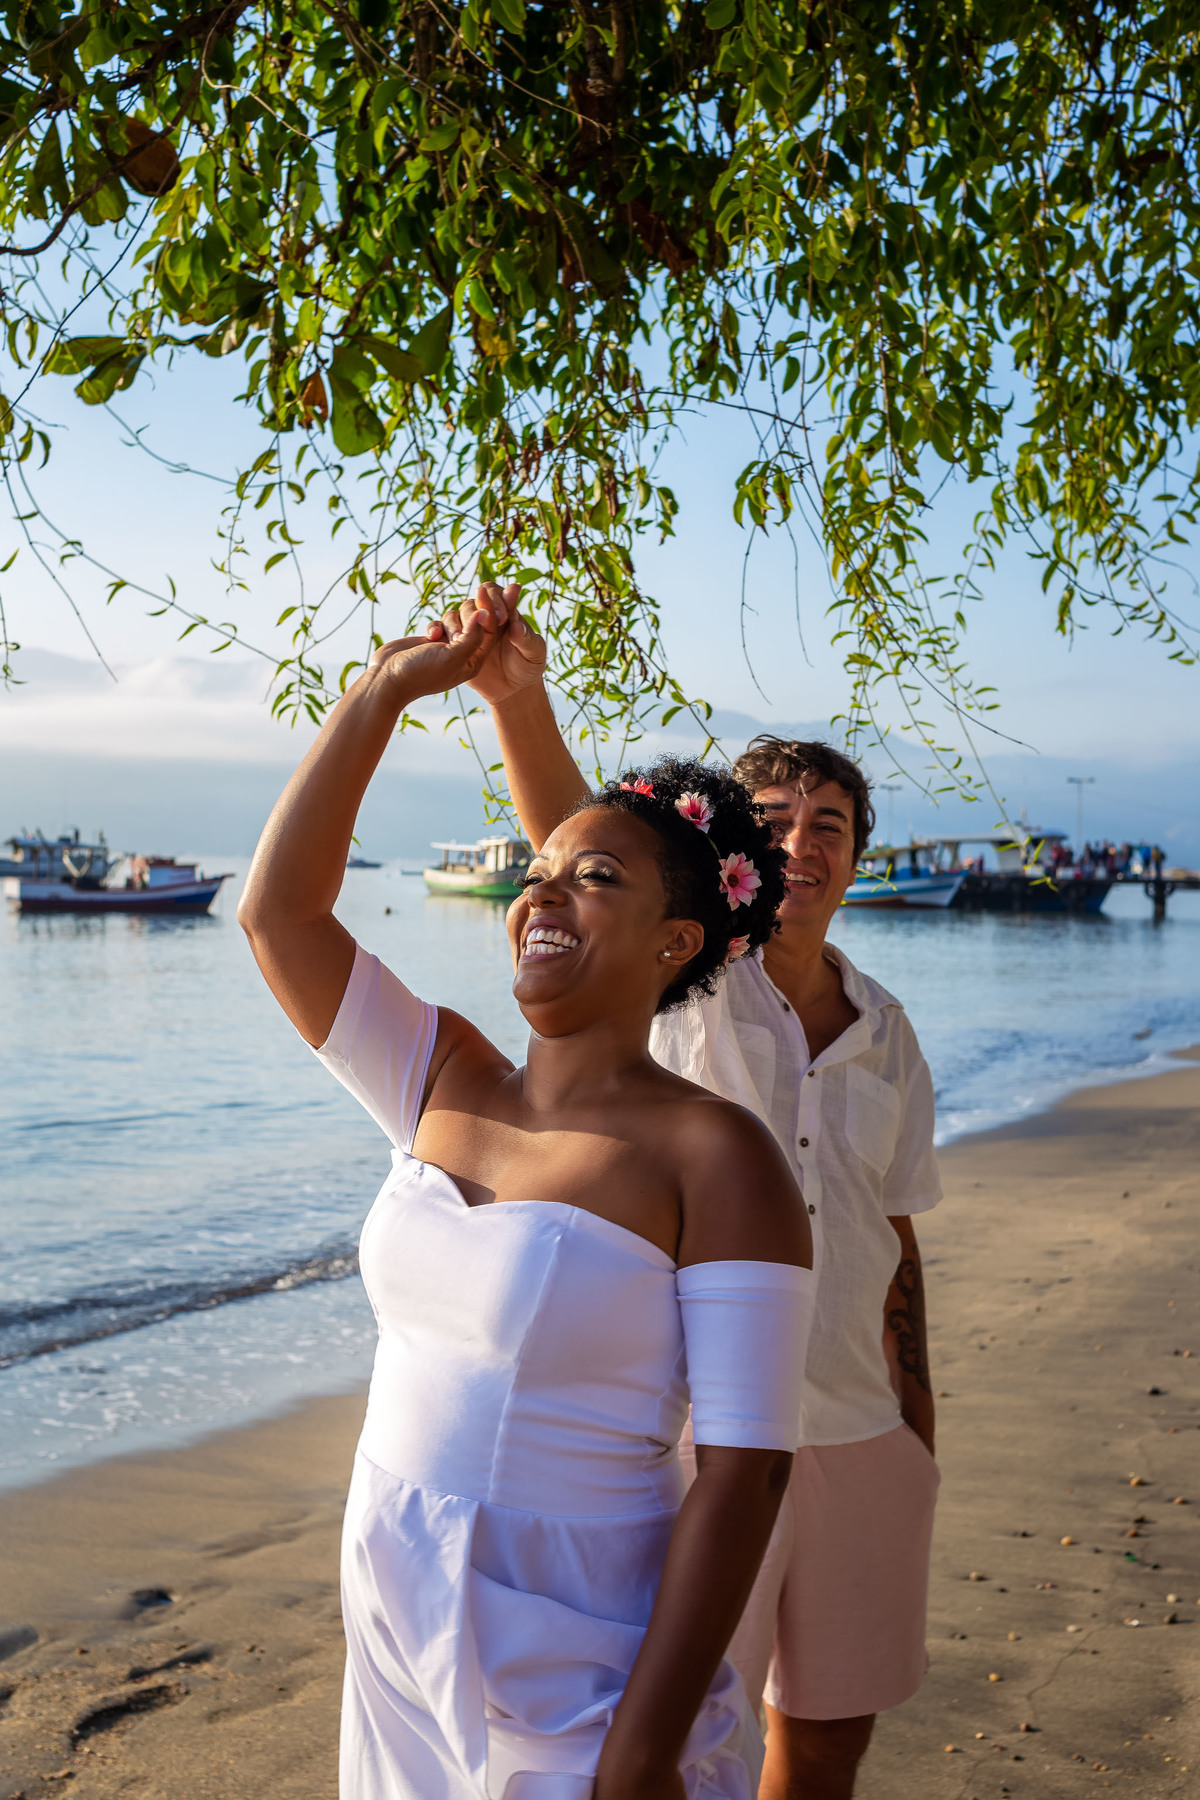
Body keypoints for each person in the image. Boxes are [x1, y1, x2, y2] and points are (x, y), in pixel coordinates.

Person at [238, 604, 819, 1800]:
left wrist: (641, 1752)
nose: (544, 893)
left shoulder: (721, 1158)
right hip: (397, 1621)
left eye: (593, 876)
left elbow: (747, 1471)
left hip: (583, 1656)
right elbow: (279, 915)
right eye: (539, 870)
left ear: (676, 942)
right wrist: (384, 694)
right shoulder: (442, 1072)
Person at [459, 586, 943, 1800]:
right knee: (684, 1742)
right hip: (703, 1442)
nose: (803, 838)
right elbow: (576, 835)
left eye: (830, 821)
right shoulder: (692, 977)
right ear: (730, 865)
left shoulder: (888, 1030)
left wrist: (918, 1427)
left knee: (828, 1735)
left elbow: (895, 1230)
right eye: (775, 818)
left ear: (852, 857)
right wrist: (519, 697)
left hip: (859, 1430)